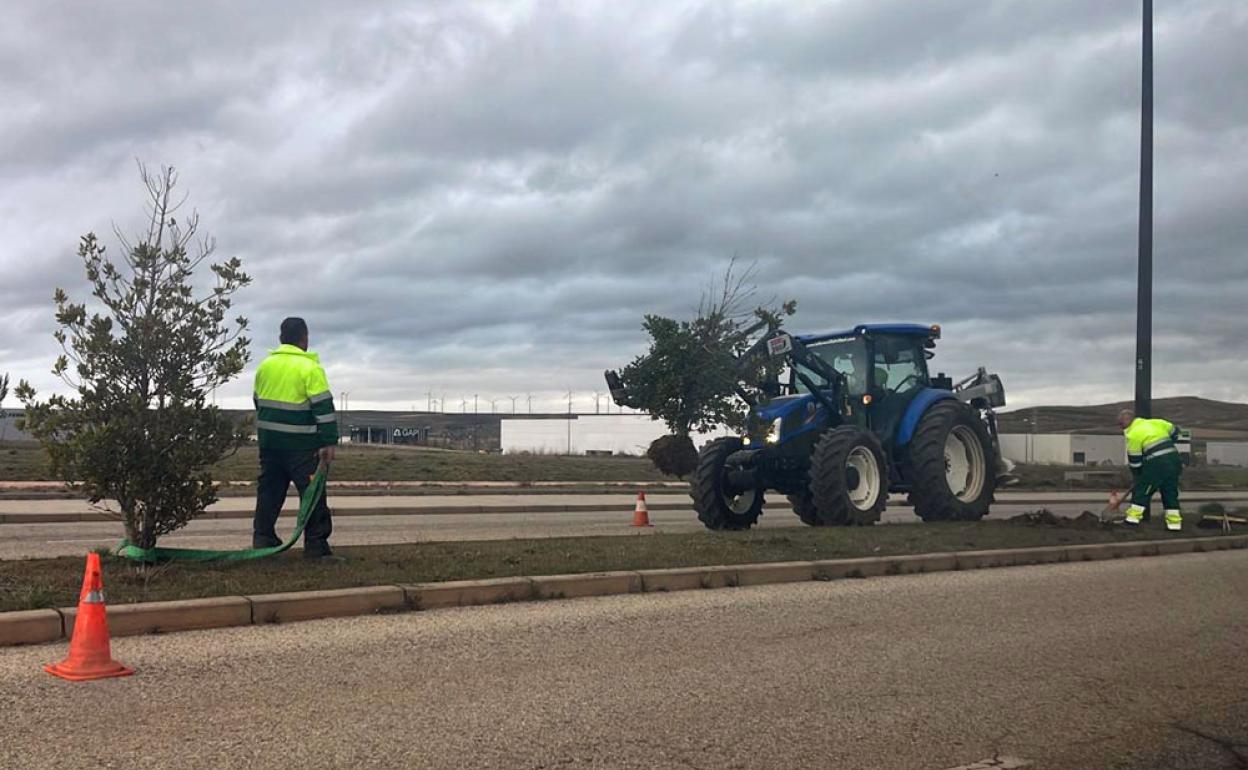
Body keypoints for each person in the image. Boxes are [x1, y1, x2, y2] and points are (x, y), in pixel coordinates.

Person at [252, 317, 340, 559]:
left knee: (269, 492)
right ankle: (316, 547)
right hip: (302, 447)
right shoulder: (310, 368)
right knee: (312, 495)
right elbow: (323, 407)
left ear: (281, 338)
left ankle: (263, 539)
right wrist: (329, 440)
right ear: (304, 337)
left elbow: (258, 401)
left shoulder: (265, 366)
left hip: (270, 445)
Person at [1117, 408, 1183, 531]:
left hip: (1157, 463)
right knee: (1170, 492)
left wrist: (1138, 476)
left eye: (1120, 424)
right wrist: (1169, 442)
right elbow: (1176, 431)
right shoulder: (1156, 422)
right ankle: (1174, 525)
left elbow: (1135, 461)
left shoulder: (1133, 434)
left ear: (1127, 421)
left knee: (1142, 490)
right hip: (1174, 460)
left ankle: (1132, 520)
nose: (1121, 427)